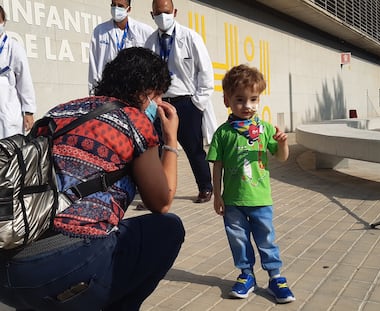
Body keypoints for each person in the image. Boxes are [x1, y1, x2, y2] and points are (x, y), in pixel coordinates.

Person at [0, 47, 185, 310]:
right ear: (147, 92)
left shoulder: (60, 112)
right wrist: (171, 139)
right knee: (168, 228)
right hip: (63, 266)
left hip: (8, 267)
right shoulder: (134, 121)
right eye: (158, 97)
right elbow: (161, 201)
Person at [206, 64, 295, 303]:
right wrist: (217, 195)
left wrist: (283, 142)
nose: (247, 106)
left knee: (266, 238)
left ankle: (276, 276)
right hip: (233, 200)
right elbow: (217, 165)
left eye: (253, 99)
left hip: (260, 199)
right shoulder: (223, 133)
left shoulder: (265, 129)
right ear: (226, 100)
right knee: (238, 239)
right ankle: (246, 274)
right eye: (240, 100)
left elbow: (282, 157)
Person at [145, 0, 217, 203]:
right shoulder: (150, 42)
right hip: (160, 104)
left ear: (174, 12)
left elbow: (206, 72)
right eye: (158, 13)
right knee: (156, 149)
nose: (162, 16)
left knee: (194, 149)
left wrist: (197, 103)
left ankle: (205, 187)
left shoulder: (191, 37)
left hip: (187, 103)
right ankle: (157, 192)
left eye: (166, 12)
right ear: (152, 15)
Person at [88, 0, 153, 94]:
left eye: (120, 6)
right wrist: (93, 94)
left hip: (135, 90)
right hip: (108, 89)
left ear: (129, 9)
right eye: (113, 5)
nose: (116, 8)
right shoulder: (100, 31)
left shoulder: (144, 31)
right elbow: (94, 65)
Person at [0, 5, 36, 139]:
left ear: (4, 22)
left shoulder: (14, 48)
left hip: (8, 110)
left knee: (10, 151)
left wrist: (28, 111)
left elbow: (25, 81)